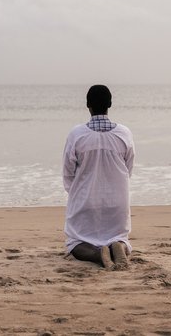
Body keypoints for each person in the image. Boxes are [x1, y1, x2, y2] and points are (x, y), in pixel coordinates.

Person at [62, 85, 135, 270]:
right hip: (117, 203)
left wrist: (77, 194)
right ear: (110, 104)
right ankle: (118, 246)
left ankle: (97, 254)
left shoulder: (77, 134)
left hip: (86, 203)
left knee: (75, 243)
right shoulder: (124, 134)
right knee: (120, 237)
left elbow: (68, 173)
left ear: (88, 105)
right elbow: (128, 170)